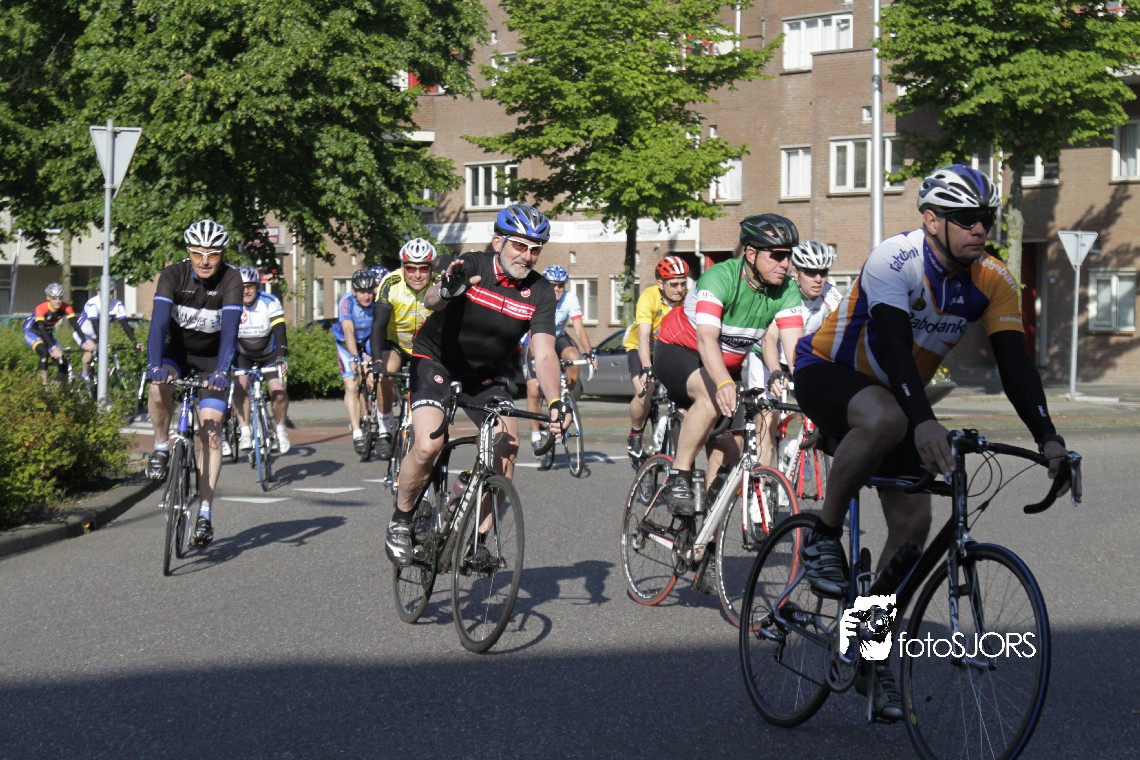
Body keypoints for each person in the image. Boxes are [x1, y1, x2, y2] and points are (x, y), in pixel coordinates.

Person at [794, 164, 1083, 720]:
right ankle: (822, 535)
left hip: (895, 397)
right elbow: (893, 344)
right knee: (887, 418)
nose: (980, 229)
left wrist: (1049, 438)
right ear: (931, 220)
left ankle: (865, 646)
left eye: (986, 219)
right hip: (829, 372)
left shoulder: (993, 279)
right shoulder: (894, 258)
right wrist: (924, 421)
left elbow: (1015, 364)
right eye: (966, 219)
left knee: (913, 527)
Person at [384, 204, 568, 566]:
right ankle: (401, 520)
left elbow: (545, 353)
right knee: (428, 445)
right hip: (436, 362)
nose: (527, 256)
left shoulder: (541, 291)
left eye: (535, 249)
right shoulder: (472, 265)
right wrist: (446, 290)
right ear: (498, 242)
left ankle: (477, 542)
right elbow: (432, 301)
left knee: (508, 447)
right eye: (520, 246)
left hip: (484, 375)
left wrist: (556, 402)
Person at [652, 213, 806, 516]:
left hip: (726, 366)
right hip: (680, 351)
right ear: (751, 253)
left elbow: (796, 351)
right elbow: (707, 339)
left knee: (731, 460)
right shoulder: (720, 277)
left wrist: (812, 391)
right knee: (711, 399)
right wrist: (723, 383)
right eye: (777, 256)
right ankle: (678, 476)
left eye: (788, 256)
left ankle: (706, 538)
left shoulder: (787, 289)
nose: (785, 264)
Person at [144, 219, 243, 547]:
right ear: (188, 252)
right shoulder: (173, 275)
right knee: (158, 387)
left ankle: (204, 513)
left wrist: (222, 371)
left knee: (210, 431)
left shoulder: (231, 279)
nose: (204, 260)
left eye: (212, 254)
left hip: (212, 361)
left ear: (222, 254)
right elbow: (159, 326)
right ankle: (161, 447)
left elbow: (230, 333)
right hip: (176, 353)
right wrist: (154, 365)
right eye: (198, 253)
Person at [745, 240, 841, 465]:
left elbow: (844, 333)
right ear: (796, 272)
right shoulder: (783, 293)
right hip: (767, 359)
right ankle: (763, 478)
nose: (818, 279)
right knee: (768, 420)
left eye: (823, 272)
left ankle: (797, 460)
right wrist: (775, 372)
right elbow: (769, 339)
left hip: (800, 362)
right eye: (810, 272)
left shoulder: (831, 296)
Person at [369, 238, 439, 460]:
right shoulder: (390, 283)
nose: (417, 275)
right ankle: (384, 429)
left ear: (431, 269)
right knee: (386, 373)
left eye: (423, 269)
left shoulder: (439, 285)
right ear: (402, 267)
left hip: (426, 346)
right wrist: (376, 361)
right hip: (396, 343)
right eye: (410, 268)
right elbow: (378, 325)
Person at [523, 265, 597, 455]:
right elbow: (530, 330)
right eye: (553, 285)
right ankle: (535, 433)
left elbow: (578, 327)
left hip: (557, 337)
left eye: (560, 285)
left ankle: (566, 396)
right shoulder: (537, 295)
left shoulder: (570, 298)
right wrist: (536, 359)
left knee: (574, 356)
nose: (557, 289)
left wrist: (590, 353)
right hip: (534, 339)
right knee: (534, 388)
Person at [624, 255, 690, 461]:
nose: (680, 289)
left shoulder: (689, 298)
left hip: (668, 349)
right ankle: (635, 433)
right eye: (674, 284)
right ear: (660, 283)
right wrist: (647, 367)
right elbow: (644, 336)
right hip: (641, 347)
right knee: (646, 389)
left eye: (683, 283)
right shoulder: (649, 297)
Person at [229, 264, 290, 456]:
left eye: (250, 286)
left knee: (278, 391)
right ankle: (245, 431)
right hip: (243, 355)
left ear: (257, 287)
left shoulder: (270, 302)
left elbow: (280, 333)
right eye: (242, 287)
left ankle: (280, 430)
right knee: (240, 386)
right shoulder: (230, 303)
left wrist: (281, 356)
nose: (246, 291)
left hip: (269, 355)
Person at [330, 268, 379, 455]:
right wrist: (355, 358)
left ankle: (371, 414)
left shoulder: (377, 301)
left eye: (369, 292)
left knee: (373, 379)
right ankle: (357, 431)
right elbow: (348, 331)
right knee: (352, 386)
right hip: (346, 344)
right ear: (354, 291)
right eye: (362, 292)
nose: (367, 296)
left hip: (367, 342)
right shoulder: (346, 303)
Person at [24, 283, 96, 384]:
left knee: (63, 363)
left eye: (60, 298)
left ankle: (56, 388)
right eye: (54, 298)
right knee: (44, 352)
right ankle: (43, 385)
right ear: (48, 298)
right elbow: (41, 329)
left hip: (48, 335)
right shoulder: (41, 308)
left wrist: (84, 341)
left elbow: (75, 325)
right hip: (33, 333)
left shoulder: (66, 307)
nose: (57, 301)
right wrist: (53, 347)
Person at [74, 281, 144, 378]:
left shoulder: (117, 304)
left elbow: (125, 325)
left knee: (105, 364)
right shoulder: (92, 303)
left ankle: (101, 382)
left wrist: (135, 342)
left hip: (98, 335)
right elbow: (95, 325)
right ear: (98, 292)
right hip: (83, 333)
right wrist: (103, 344)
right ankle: (85, 376)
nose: (110, 295)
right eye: (107, 292)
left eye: (111, 292)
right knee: (91, 349)